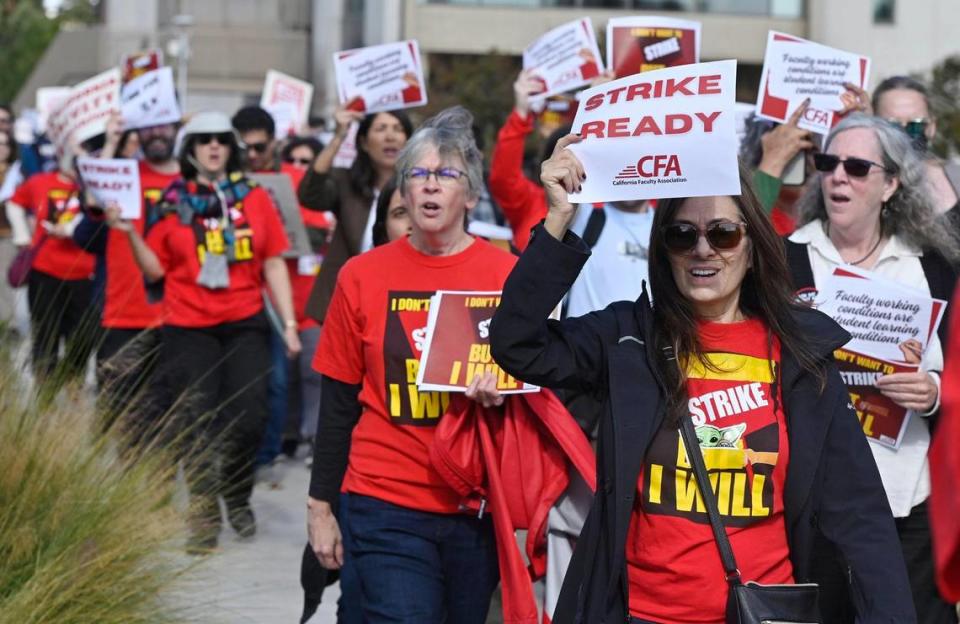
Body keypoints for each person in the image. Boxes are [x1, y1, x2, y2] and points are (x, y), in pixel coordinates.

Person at [488, 132, 916, 622]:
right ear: (664, 250)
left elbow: (858, 513)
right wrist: (559, 218)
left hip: (766, 613)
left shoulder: (802, 352)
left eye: (723, 234)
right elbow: (516, 345)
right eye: (682, 235)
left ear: (752, 246)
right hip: (643, 614)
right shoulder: (628, 336)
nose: (702, 250)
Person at [306, 107, 513, 623]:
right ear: (401, 190)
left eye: (446, 175)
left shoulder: (508, 275)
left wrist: (505, 391)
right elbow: (336, 402)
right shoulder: (361, 275)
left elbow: (541, 388)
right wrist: (320, 507)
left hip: (477, 507)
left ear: (471, 193)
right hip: (383, 499)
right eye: (417, 174)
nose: (430, 186)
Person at [788, 113, 960, 623]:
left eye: (858, 167)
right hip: (813, 503)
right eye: (828, 163)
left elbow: (956, 371)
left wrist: (931, 390)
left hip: (907, 501)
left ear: (891, 185)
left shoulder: (932, 268)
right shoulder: (783, 259)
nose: (839, 175)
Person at [108, 111, 300, 552]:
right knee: (194, 420)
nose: (213, 147)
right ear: (190, 149)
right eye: (203, 140)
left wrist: (289, 324)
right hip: (187, 325)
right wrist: (128, 234)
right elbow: (156, 268)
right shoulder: (171, 200)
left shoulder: (253, 197)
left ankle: (235, 493)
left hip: (245, 321)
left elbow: (272, 260)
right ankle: (203, 514)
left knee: (251, 417)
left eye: (221, 140)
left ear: (231, 148)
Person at [73, 116, 180, 430]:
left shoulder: (193, 181)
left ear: (176, 129)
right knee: (122, 424)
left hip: (181, 318)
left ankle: (162, 480)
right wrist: (110, 142)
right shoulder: (125, 172)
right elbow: (94, 197)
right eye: (149, 124)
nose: (156, 131)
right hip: (124, 317)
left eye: (164, 124)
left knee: (173, 424)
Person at [297, 102, 412, 323]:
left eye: (398, 129)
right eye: (381, 129)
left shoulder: (421, 188)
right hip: (346, 303)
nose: (390, 136)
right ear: (364, 143)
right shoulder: (346, 183)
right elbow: (310, 194)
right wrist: (340, 135)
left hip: (400, 301)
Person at [6, 144, 96, 381]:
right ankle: (45, 396)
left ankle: (72, 386)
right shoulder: (40, 181)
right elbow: (14, 202)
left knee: (82, 340)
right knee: (45, 338)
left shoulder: (94, 188)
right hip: (45, 272)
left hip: (85, 274)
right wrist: (22, 234)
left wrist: (70, 230)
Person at [872, 75, 960, 215]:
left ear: (931, 127)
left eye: (915, 125)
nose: (904, 134)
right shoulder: (859, 181)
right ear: (873, 127)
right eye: (892, 126)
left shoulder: (956, 177)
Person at [232, 105, 279, 173]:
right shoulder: (225, 177)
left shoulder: (295, 177)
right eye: (244, 147)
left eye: (259, 147)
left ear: (273, 141)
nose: (251, 155)